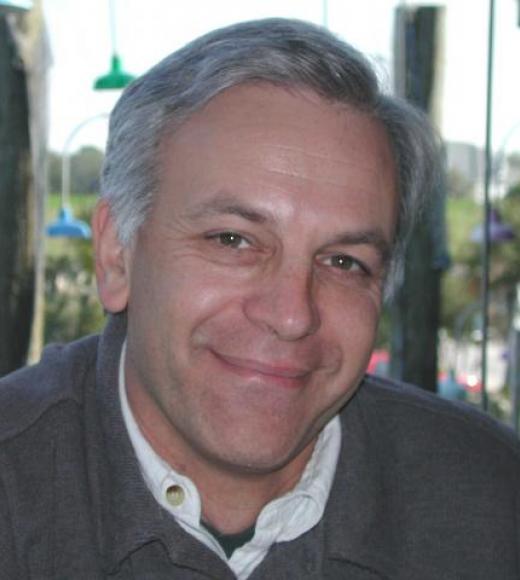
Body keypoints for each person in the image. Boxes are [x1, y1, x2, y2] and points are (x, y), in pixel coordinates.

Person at [0, 18, 519, 580]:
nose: (292, 315)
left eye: (344, 262)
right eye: (233, 240)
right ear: (116, 255)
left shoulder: (493, 502)